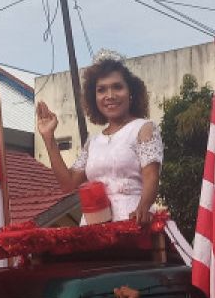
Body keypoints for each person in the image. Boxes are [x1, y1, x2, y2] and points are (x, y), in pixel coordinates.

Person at [35, 55, 162, 225]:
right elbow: (68, 183)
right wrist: (48, 137)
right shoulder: (93, 141)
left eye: (117, 87)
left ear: (131, 92)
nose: (110, 95)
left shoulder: (144, 128)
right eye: (101, 90)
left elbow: (151, 176)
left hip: (133, 222)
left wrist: (143, 207)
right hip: (93, 227)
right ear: (93, 98)